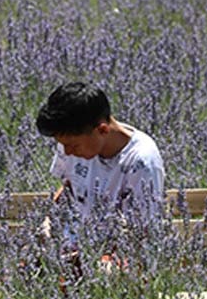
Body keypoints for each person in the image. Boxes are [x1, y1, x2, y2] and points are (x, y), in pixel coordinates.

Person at [34, 82, 165, 273]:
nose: (67, 152)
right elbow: (69, 187)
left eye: (73, 146)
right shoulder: (72, 144)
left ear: (102, 130)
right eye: (63, 145)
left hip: (120, 264)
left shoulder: (142, 162)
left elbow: (143, 234)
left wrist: (98, 258)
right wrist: (48, 221)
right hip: (73, 252)